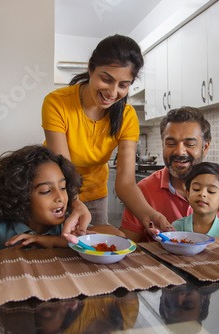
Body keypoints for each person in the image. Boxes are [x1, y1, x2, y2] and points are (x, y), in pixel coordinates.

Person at [42, 34, 171, 233]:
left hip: (95, 197)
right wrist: (74, 203)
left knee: (93, 255)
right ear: (90, 68)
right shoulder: (57, 103)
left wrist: (150, 215)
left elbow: (126, 183)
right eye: (106, 79)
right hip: (55, 193)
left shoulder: (127, 117)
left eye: (123, 85)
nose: (112, 93)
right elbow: (62, 167)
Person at [0, 145, 123, 254]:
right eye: (46, 191)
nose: (60, 197)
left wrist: (50, 241)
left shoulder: (66, 229)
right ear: (20, 196)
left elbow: (118, 236)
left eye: (62, 188)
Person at [120, 107, 219, 242]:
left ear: (205, 148)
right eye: (171, 143)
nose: (180, 152)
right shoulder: (143, 190)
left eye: (190, 144)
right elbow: (127, 246)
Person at [172, 162, 219, 237]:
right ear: (188, 194)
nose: (202, 194)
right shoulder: (176, 228)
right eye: (196, 189)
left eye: (211, 191)